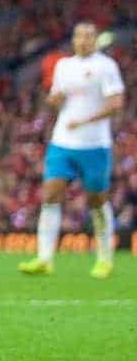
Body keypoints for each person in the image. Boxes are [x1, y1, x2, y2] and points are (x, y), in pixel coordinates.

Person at [19, 22, 124, 279]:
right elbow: (57, 99)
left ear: (96, 39)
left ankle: (104, 259)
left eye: (89, 36)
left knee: (96, 201)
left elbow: (116, 104)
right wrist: (53, 101)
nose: (83, 40)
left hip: (95, 145)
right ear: (74, 39)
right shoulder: (63, 66)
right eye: (79, 35)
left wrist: (86, 120)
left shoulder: (106, 66)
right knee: (50, 194)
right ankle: (44, 258)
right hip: (63, 141)